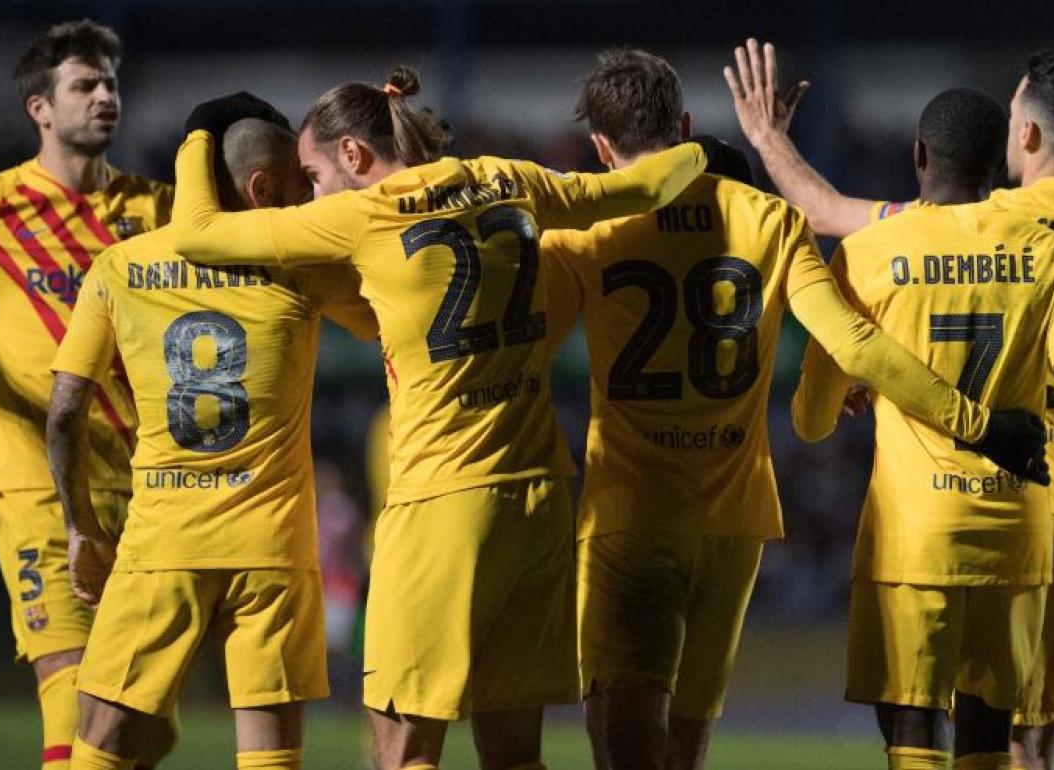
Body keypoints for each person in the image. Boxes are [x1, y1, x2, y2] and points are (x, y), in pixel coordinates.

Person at [166, 71, 711, 770]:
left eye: (314, 174)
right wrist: (704, 152)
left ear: (356, 157)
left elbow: (197, 235)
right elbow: (642, 186)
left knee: (402, 752)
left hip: (439, 505)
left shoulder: (361, 214)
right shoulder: (510, 177)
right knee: (515, 756)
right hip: (538, 499)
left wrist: (204, 126)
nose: (311, 193)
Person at [541, 48, 1051, 770]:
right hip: (734, 522)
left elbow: (525, 346)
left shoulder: (590, 228)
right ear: (684, 124)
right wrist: (981, 423)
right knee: (684, 748)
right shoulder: (771, 222)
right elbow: (856, 343)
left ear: (600, 146)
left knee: (621, 744)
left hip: (634, 514)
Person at [725, 40, 1054, 769]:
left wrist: (766, 138)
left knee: (924, 729)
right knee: (1025, 747)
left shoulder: (933, 222)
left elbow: (819, 209)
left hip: (945, 512)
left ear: (1027, 136)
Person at [786, 87, 1054, 770]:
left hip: (913, 539)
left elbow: (811, 422)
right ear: (998, 171)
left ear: (918, 155)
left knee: (914, 737)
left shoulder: (867, 255)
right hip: (1014, 536)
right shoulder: (1047, 256)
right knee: (989, 741)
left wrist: (856, 390)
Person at [46, 110, 378, 770]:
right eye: (294, 182)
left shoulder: (118, 266)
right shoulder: (302, 265)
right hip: (273, 552)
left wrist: (81, 527)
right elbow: (390, 319)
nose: (304, 197)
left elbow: (62, 414)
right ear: (259, 189)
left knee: (102, 743)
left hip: (161, 543)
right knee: (269, 756)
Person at [0, 20, 172, 769]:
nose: (106, 95)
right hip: (37, 476)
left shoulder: (156, 210)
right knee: (68, 672)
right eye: (85, 85)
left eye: (110, 82)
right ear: (39, 109)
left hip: (147, 483)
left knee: (135, 714)